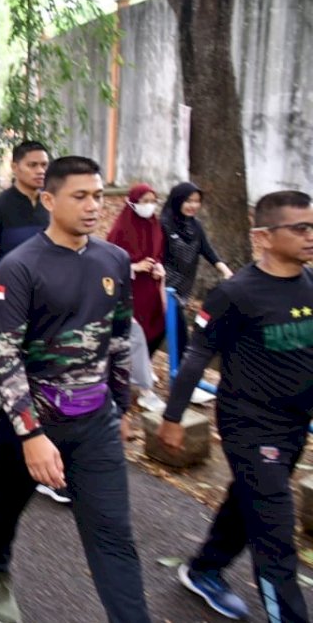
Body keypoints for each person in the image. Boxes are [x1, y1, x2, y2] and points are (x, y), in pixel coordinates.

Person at [0, 156, 148, 623]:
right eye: (80, 196)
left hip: (95, 423)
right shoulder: (18, 268)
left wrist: (123, 407)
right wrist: (31, 436)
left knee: (113, 534)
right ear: (50, 200)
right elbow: (5, 355)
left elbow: (118, 340)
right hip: (29, 424)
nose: (93, 206)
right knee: (3, 509)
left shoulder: (113, 260)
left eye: (97, 195)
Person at [158, 190, 313, 623]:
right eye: (299, 228)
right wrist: (173, 417)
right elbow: (196, 356)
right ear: (263, 237)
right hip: (251, 427)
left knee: (248, 501)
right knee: (276, 535)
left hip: (294, 425)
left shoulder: (310, 283)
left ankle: (205, 570)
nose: (310, 236)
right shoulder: (236, 293)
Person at [0, 142, 53, 467]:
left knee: (32, 365)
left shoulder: (48, 206)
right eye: (32, 164)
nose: (40, 170)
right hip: (3, 301)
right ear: (15, 167)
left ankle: (19, 423)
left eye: (44, 164)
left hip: (40, 303)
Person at [107, 184, 167, 412]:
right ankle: (145, 390)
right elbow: (110, 263)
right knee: (135, 334)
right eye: (144, 201)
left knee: (155, 328)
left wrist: (158, 267)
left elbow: (158, 253)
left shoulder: (155, 225)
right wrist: (134, 266)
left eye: (153, 200)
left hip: (149, 288)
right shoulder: (121, 229)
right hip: (126, 290)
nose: (149, 206)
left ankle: (141, 371)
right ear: (132, 202)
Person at [161, 182, 234, 366]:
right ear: (177, 201)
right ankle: (182, 379)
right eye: (188, 201)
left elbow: (207, 251)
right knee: (180, 334)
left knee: (159, 333)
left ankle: (142, 368)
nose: (193, 205)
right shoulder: (164, 224)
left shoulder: (195, 226)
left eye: (197, 201)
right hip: (165, 288)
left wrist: (225, 270)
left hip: (184, 286)